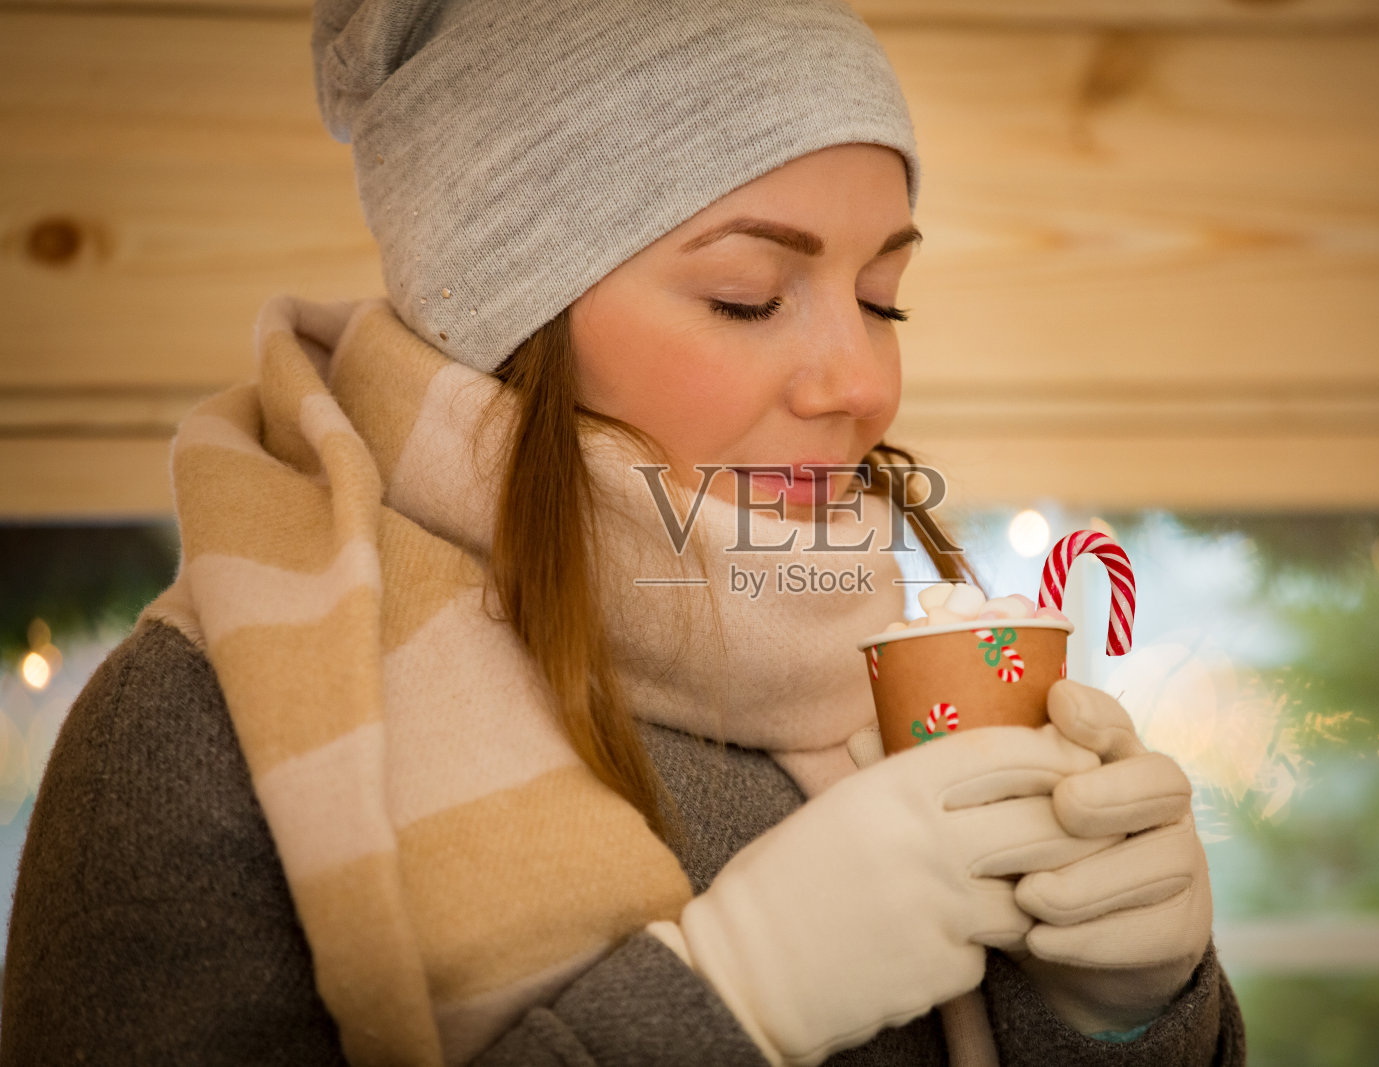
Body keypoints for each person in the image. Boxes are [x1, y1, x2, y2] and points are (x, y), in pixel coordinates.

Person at [1, 1, 1245, 1064]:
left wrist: (1126, 1020)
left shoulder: (893, 676)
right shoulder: (215, 722)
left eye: (883, 297)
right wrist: (727, 996)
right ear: (506, 316)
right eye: (747, 296)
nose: (860, 382)